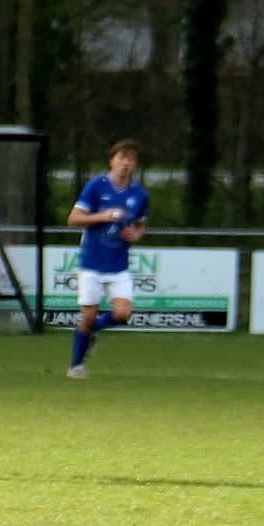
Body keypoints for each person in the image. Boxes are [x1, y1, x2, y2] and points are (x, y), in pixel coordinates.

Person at [65, 139, 150, 378]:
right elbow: (73, 219)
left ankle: (90, 332)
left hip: (118, 264)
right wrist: (103, 216)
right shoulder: (95, 187)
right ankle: (76, 366)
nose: (126, 163)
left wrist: (134, 234)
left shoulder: (139, 194)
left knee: (123, 313)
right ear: (111, 160)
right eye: (121, 157)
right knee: (89, 314)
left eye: (130, 159)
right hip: (91, 261)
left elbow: (140, 225)